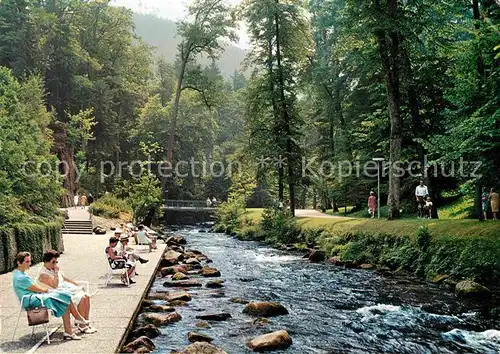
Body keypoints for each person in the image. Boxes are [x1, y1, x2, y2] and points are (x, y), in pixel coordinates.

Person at [13, 252, 89, 340]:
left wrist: (50, 291)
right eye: (27, 261)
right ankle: (75, 322)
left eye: (30, 261)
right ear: (19, 262)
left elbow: (38, 289)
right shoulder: (21, 277)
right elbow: (39, 289)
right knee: (64, 297)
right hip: (31, 300)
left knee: (65, 297)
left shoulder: (19, 274)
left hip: (34, 298)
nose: (30, 263)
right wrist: (50, 291)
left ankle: (70, 329)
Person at [38, 250, 97, 334]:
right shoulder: (43, 274)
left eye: (56, 261)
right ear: (46, 261)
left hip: (64, 289)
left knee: (86, 296)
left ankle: (85, 322)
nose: (55, 264)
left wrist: (77, 285)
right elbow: (54, 285)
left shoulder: (52, 268)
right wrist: (55, 273)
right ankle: (82, 325)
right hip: (56, 294)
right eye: (53, 262)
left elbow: (65, 278)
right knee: (81, 297)